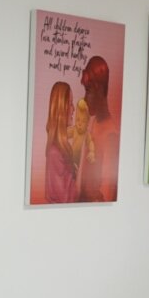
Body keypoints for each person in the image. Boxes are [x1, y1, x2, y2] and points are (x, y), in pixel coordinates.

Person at [76, 56, 119, 202]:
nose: (85, 99)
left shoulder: (111, 135)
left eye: (88, 91)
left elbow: (107, 195)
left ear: (99, 90)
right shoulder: (94, 123)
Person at [44, 81, 77, 203]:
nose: (74, 109)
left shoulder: (63, 148)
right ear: (62, 108)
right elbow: (65, 198)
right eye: (70, 103)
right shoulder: (55, 153)